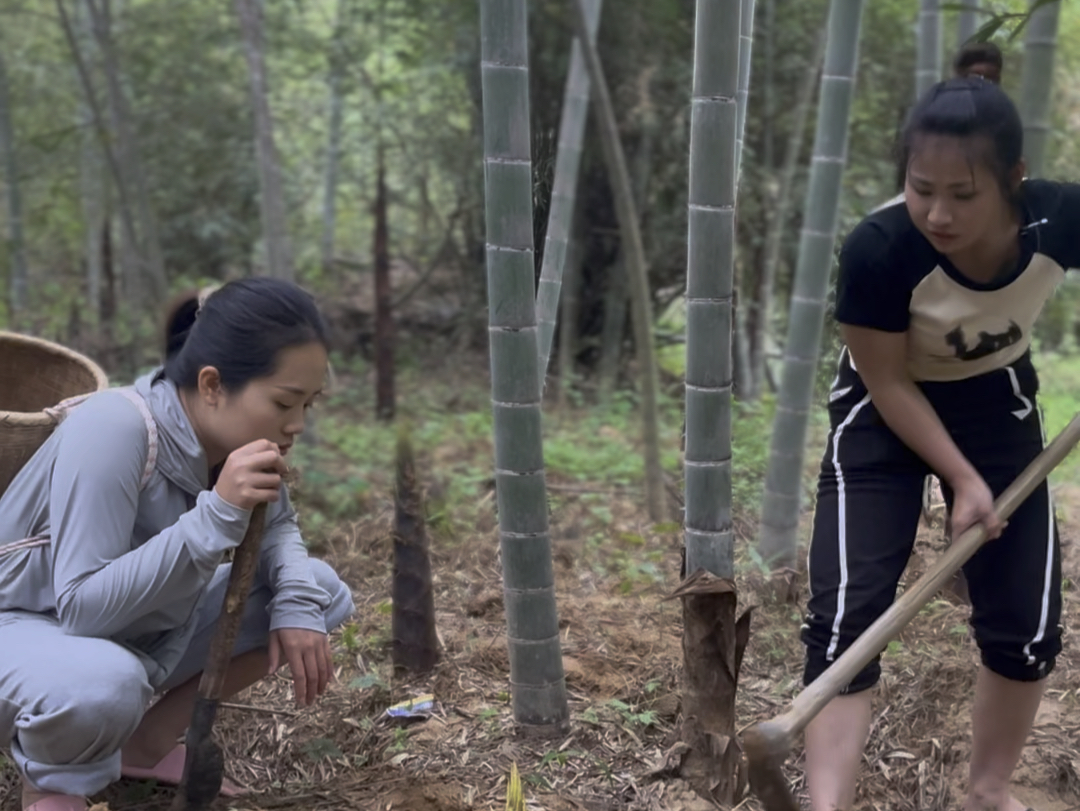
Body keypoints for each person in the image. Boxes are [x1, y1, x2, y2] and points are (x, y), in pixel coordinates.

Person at [801, 76, 1073, 811]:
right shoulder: (880, 248)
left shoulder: (1060, 218)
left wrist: (983, 471)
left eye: (963, 193)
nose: (938, 213)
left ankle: (987, 790)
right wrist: (961, 478)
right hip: (882, 404)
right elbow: (887, 384)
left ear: (1014, 180)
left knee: (1028, 622)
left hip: (994, 400)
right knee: (845, 621)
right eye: (922, 188)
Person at [0, 277, 356, 811]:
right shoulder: (116, 427)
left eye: (309, 403)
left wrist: (297, 605)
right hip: (27, 625)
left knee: (318, 591)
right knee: (105, 682)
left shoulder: (231, 440)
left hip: (133, 627)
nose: (298, 424)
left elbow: (277, 527)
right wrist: (216, 515)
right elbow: (82, 610)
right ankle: (52, 787)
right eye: (285, 401)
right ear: (212, 385)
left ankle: (143, 744)